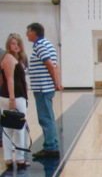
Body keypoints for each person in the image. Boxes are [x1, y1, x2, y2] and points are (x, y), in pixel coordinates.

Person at [26, 23, 62, 159]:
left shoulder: (39, 45)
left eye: (28, 32)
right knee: (49, 118)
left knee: (45, 118)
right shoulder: (48, 44)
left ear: (34, 33)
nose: (26, 34)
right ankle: (52, 145)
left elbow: (50, 65)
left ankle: (51, 147)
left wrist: (56, 82)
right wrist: (57, 82)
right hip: (46, 87)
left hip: (42, 87)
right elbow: (55, 66)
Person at [1, 34, 29, 169]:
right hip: (13, 97)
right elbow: (9, 79)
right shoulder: (9, 59)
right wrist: (12, 98)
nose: (16, 46)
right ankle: (18, 159)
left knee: (12, 128)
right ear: (8, 45)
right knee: (16, 128)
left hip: (17, 96)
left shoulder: (18, 59)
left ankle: (12, 158)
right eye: (13, 43)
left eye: (17, 43)